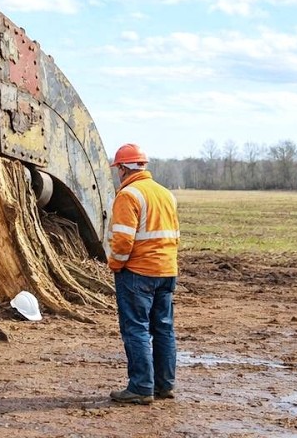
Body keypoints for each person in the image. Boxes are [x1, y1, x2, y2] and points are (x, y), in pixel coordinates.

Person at [106, 143, 180, 405]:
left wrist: (115, 265)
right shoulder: (165, 194)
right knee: (163, 328)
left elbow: (123, 240)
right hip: (167, 270)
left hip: (138, 272)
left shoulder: (128, 195)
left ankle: (140, 387)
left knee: (136, 328)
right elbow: (175, 235)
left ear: (123, 169)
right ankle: (164, 385)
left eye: (118, 169)